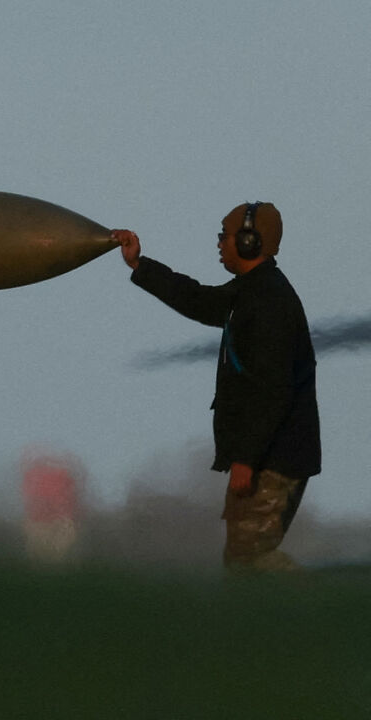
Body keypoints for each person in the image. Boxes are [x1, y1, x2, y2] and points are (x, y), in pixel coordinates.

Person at [112, 203, 320, 569]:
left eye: (224, 235)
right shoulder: (251, 292)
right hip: (267, 456)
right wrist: (139, 265)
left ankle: (330, 609)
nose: (219, 243)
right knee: (243, 560)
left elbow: (274, 391)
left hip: (273, 460)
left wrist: (246, 459)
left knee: (250, 558)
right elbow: (199, 300)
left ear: (250, 241)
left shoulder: (269, 301)